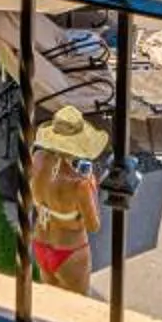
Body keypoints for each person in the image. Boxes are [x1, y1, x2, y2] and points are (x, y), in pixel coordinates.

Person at [26, 105, 106, 294]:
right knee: (76, 308)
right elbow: (93, 225)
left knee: (50, 304)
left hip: (41, 242)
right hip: (70, 251)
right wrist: (92, 190)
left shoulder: (36, 159)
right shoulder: (79, 185)